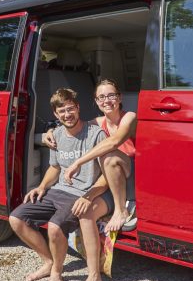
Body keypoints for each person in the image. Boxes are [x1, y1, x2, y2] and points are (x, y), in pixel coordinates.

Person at [9, 88, 115, 281]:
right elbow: (55, 168)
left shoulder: (95, 135)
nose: (67, 115)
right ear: (56, 115)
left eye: (70, 109)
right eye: (62, 111)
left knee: (55, 228)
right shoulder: (56, 134)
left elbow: (107, 174)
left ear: (78, 108)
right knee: (16, 219)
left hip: (81, 193)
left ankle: (57, 271)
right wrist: (41, 187)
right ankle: (48, 261)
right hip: (58, 190)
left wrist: (89, 196)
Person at [46, 78, 137, 235]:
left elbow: (114, 142)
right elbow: (74, 125)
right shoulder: (97, 121)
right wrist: (51, 132)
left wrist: (78, 163)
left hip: (131, 173)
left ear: (119, 97)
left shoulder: (129, 117)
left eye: (111, 95)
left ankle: (121, 210)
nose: (106, 101)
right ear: (96, 101)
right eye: (101, 97)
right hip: (110, 178)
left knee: (109, 157)